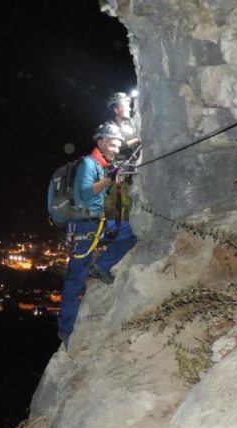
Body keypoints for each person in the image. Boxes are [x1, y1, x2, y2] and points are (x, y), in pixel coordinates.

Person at [57, 123, 138, 349]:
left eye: (117, 145)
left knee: (132, 231)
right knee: (76, 279)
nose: (114, 149)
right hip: (83, 227)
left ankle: (102, 266)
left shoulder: (103, 165)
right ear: (100, 142)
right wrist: (109, 179)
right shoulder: (88, 163)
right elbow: (84, 193)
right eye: (112, 144)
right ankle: (65, 328)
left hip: (97, 223)